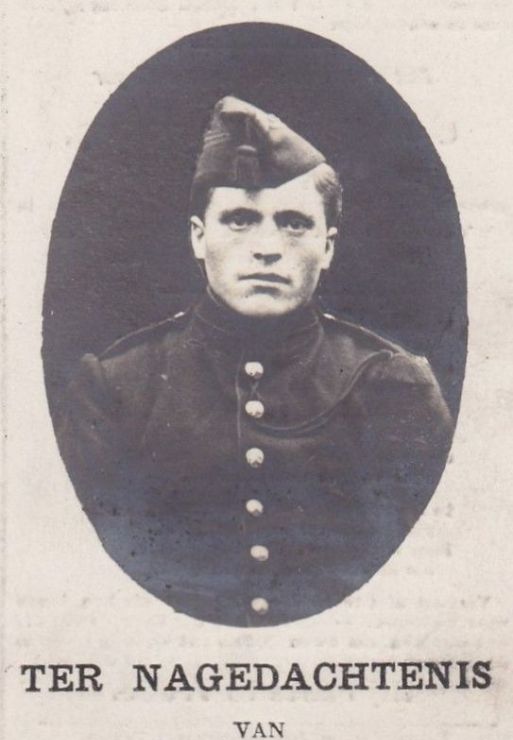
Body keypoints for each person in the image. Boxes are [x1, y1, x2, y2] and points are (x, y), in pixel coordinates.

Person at [59, 96, 453, 627]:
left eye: (294, 223)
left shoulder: (391, 386)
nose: (267, 247)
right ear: (199, 237)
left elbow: (434, 587)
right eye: (240, 220)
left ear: (328, 247)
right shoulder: (115, 389)